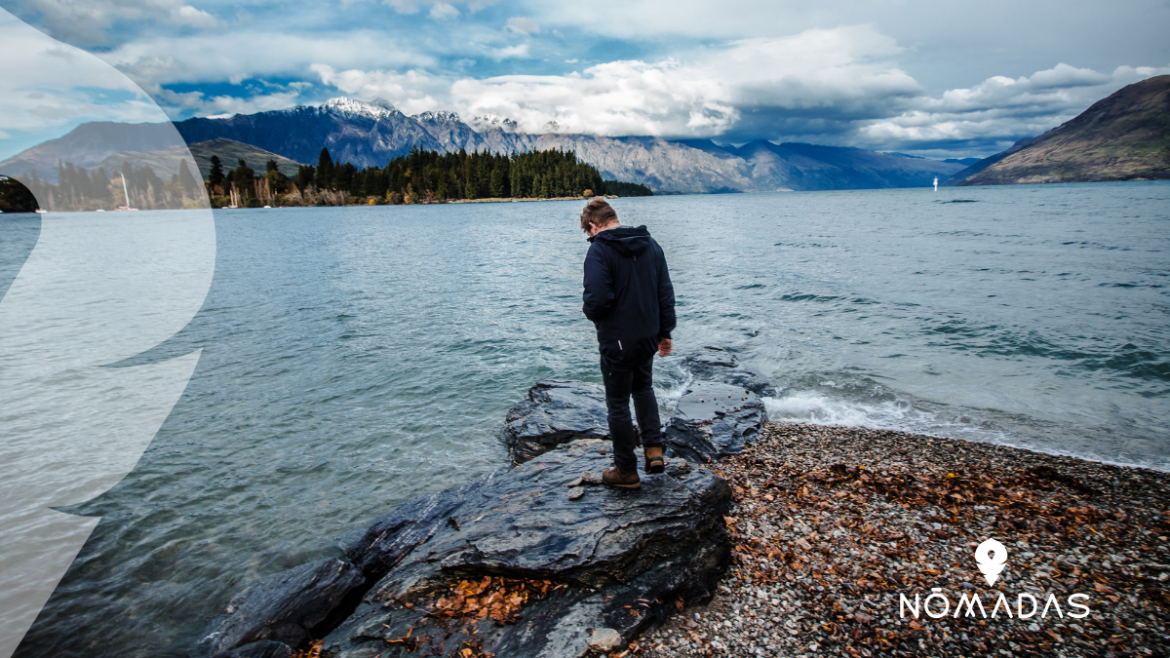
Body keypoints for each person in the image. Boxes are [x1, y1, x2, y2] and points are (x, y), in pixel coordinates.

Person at [580, 198, 675, 489]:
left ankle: (626, 471)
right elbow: (664, 292)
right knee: (644, 388)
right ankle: (654, 451)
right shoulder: (651, 244)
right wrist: (665, 332)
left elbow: (597, 301)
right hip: (648, 335)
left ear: (593, 226)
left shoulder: (600, 250)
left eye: (587, 233)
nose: (589, 238)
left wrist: (591, 313)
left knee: (618, 404)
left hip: (617, 339)